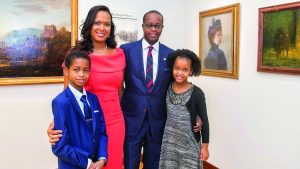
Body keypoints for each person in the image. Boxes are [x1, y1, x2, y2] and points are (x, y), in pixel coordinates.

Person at [120, 10, 201, 169]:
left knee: (154, 164)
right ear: (143, 26)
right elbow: (117, 83)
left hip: (158, 121)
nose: (153, 29)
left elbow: (179, 88)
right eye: (149, 25)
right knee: (130, 164)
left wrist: (196, 113)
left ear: (162, 27)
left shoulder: (171, 55)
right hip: (132, 120)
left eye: (157, 26)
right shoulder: (127, 50)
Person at [48, 5, 126, 169]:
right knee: (86, 164)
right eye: (97, 22)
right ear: (89, 24)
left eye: (107, 24)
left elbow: (120, 92)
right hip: (84, 122)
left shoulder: (120, 54)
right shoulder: (76, 55)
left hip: (114, 122)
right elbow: (67, 93)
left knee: (112, 163)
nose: (102, 28)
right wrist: (58, 121)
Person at [51, 50, 107, 169]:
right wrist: (87, 163)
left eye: (85, 70)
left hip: (96, 164)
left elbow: (102, 132)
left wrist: (102, 157)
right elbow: (59, 146)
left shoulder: (93, 99)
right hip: (72, 165)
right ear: (66, 71)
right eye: (76, 69)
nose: (81, 74)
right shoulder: (61, 102)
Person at [159, 49, 210, 169]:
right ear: (172, 68)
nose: (180, 73)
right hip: (169, 141)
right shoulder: (167, 87)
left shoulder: (197, 93)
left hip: (189, 144)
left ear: (191, 71)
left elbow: (205, 121)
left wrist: (205, 147)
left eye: (185, 70)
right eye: (177, 68)